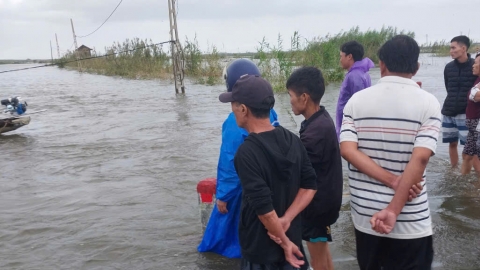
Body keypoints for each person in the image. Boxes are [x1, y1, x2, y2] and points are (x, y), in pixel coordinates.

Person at [340, 35, 440, 269]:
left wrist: (393, 181)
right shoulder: (428, 103)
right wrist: (394, 208)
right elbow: (421, 157)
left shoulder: (356, 101)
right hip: (411, 220)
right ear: (416, 68)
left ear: (382, 64)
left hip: (366, 217)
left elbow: (346, 149)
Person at [219, 74, 317, 269]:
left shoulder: (246, 153)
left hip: (261, 250)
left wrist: (284, 243)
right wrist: (287, 220)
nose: (232, 110)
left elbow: (264, 210)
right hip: (292, 239)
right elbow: (310, 185)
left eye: (233, 105)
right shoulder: (293, 139)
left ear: (244, 109)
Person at [197, 59, 279, 258]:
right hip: (267, 187)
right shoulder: (271, 113)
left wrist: (223, 196)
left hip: (241, 190)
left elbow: (229, 163)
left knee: (224, 240)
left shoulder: (234, 123)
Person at [284, 66, 343, 270]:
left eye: (291, 95)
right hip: (326, 201)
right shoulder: (321, 119)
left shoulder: (314, 133)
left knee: (317, 260)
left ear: (304, 98)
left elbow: (297, 170)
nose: (290, 100)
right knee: (323, 253)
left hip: (316, 206)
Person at [442, 35, 477, 168]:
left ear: (463, 48)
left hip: (466, 113)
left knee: (469, 148)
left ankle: (470, 176)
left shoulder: (475, 66)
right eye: (450, 48)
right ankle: (453, 171)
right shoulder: (448, 67)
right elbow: (448, 87)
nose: (451, 51)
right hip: (448, 111)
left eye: (453, 48)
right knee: (452, 143)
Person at [336, 41, 374, 139]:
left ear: (349, 56)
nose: (340, 60)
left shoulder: (354, 76)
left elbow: (358, 105)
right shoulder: (363, 73)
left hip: (350, 129)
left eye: (341, 56)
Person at [462, 54, 480, 175]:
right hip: (472, 126)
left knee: (477, 156)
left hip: (477, 126)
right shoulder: (477, 80)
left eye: (476, 63)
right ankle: (463, 183)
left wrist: (474, 95)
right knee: (467, 155)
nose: (473, 65)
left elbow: (475, 96)